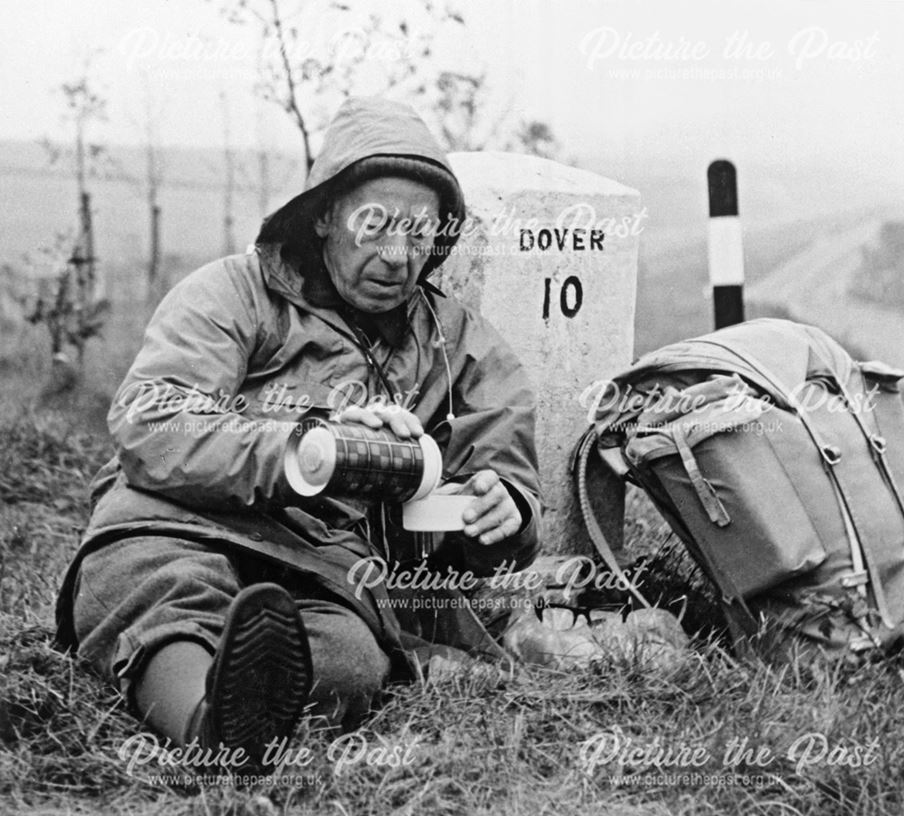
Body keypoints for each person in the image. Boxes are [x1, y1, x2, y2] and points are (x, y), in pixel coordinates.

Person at [54, 96, 541, 771]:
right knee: (157, 583)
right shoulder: (231, 294)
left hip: (324, 562)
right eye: (375, 225)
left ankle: (249, 703)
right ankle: (205, 721)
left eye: (419, 232)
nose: (398, 256)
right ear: (324, 218)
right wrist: (307, 447)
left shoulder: (461, 346)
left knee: (351, 659)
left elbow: (507, 476)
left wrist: (506, 510)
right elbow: (152, 421)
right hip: (180, 519)